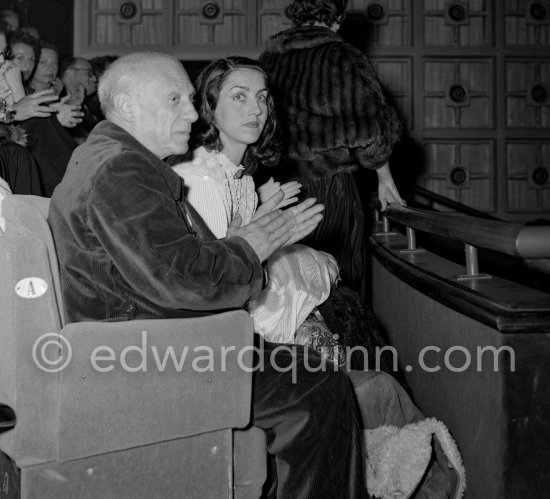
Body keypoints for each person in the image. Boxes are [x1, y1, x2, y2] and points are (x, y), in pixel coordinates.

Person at [48, 51, 367, 498]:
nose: (193, 112)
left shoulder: (111, 157)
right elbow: (183, 280)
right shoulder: (122, 168)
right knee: (318, 389)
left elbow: (170, 266)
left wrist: (249, 241)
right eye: (175, 98)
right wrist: (251, 246)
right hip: (154, 356)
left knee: (312, 369)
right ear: (127, 106)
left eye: (192, 99)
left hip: (154, 340)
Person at [171, 56, 340, 349]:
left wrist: (262, 213)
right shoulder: (202, 177)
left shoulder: (240, 176)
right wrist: (264, 229)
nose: (256, 109)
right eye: (239, 96)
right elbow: (214, 283)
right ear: (210, 107)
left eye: (262, 98)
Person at [259, 0, 405, 299]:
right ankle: (342, 344)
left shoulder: (268, 60)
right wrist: (385, 178)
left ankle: (298, 347)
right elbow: (372, 126)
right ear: (337, 18)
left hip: (279, 191)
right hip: (332, 191)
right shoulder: (343, 56)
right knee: (339, 280)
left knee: (285, 287)